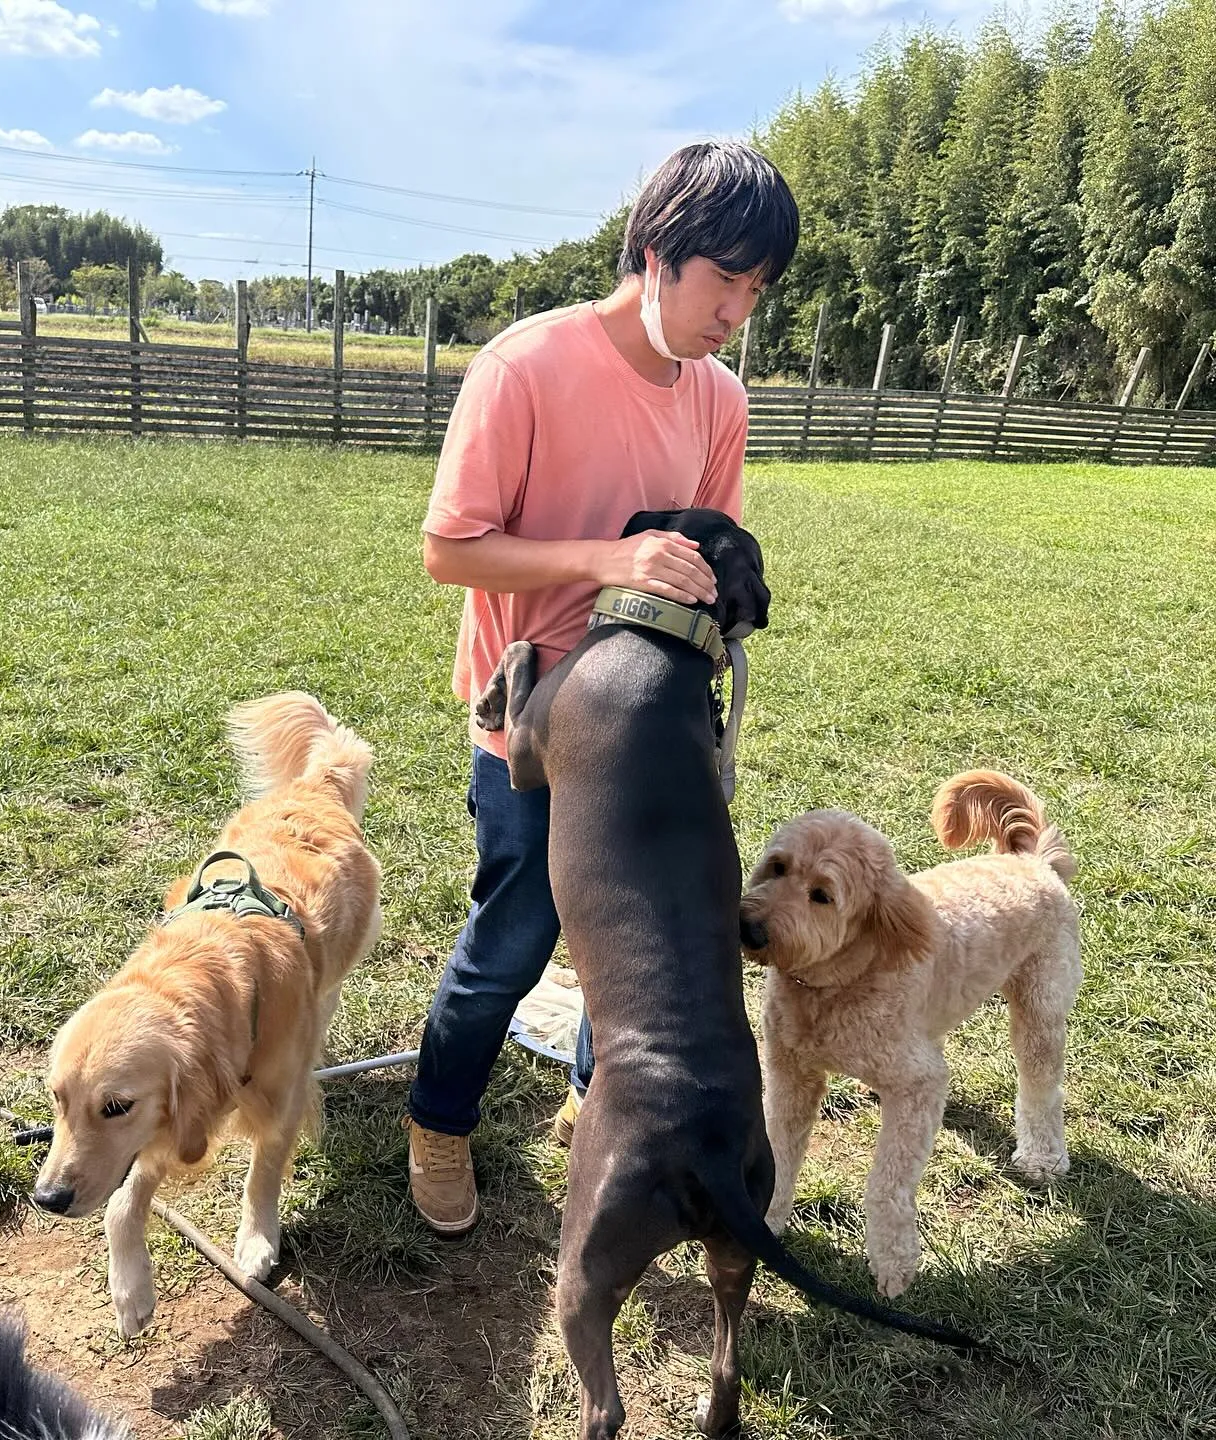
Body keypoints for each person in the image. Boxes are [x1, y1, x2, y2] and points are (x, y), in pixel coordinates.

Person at [404, 140, 800, 1236]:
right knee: (517, 941)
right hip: (529, 727)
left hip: (655, 728)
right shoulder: (524, 366)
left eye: (757, 291)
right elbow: (450, 549)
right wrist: (604, 560)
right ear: (658, 251)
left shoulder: (721, 401)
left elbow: (708, 544)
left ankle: (600, 1108)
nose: (738, 312)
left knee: (644, 948)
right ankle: (438, 1120)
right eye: (726, 279)